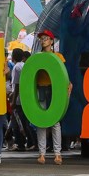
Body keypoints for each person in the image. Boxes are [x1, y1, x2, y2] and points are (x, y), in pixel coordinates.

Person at [34, 29, 71, 164]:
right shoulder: (37, 56)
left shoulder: (59, 57)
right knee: (41, 121)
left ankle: (57, 153)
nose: (43, 41)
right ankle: (42, 153)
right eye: (41, 38)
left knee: (55, 122)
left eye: (46, 38)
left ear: (51, 41)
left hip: (55, 90)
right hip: (41, 89)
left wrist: (69, 84)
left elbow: (64, 74)